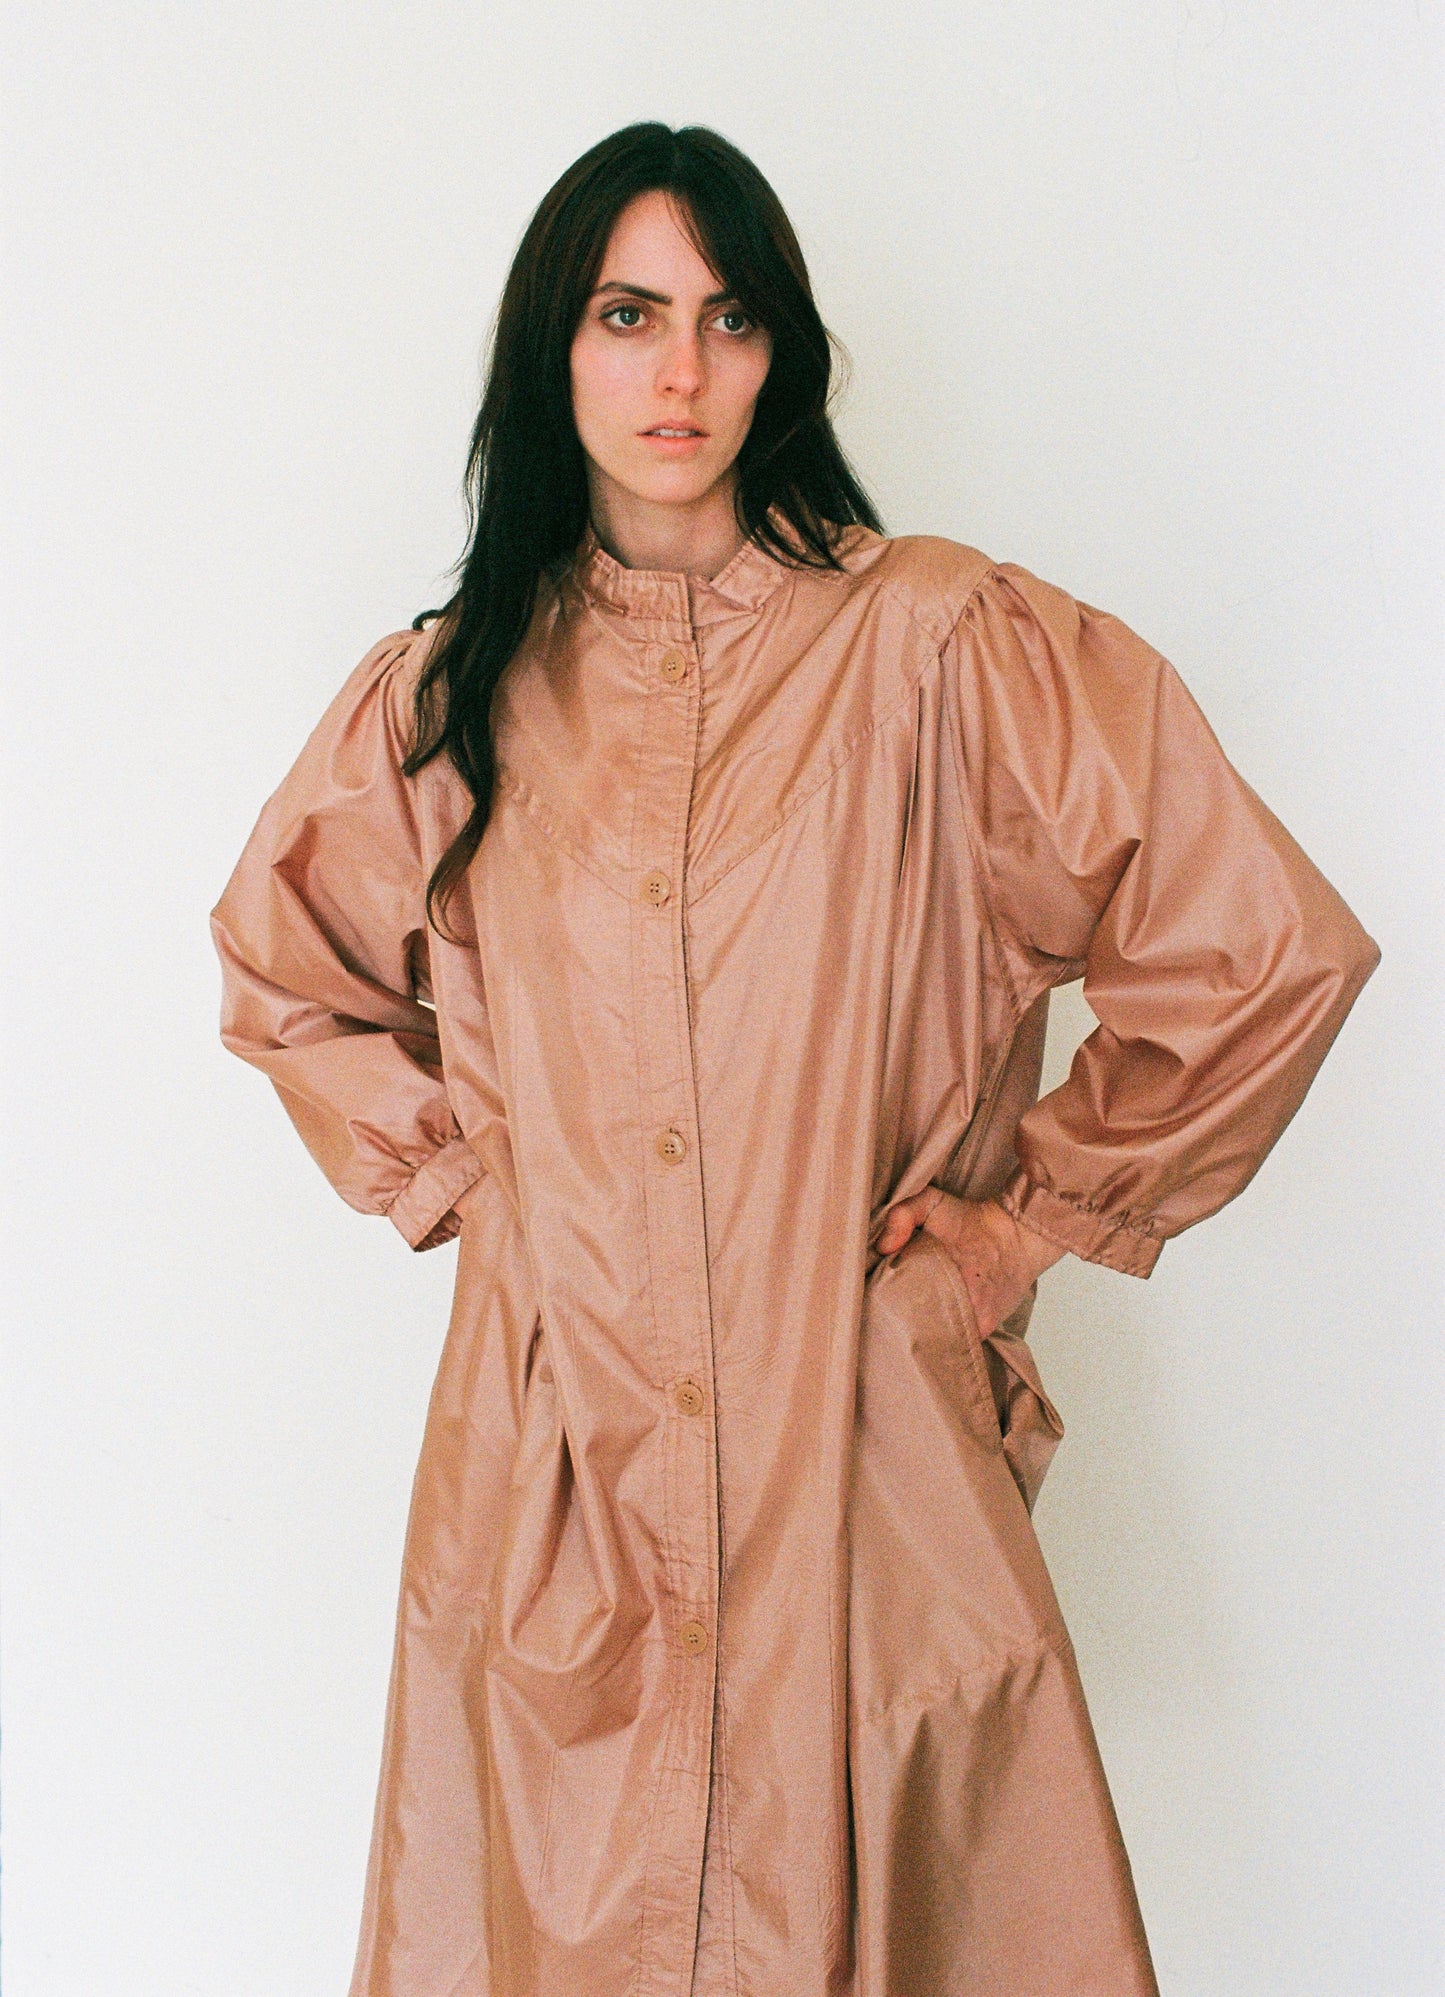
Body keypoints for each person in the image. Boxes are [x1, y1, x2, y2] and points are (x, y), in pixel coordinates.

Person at [209, 121, 1379, 1997]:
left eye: (728, 318)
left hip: (863, 1463)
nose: (679, 372)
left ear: (784, 354)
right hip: (560, 1485)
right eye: (626, 313)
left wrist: (1016, 1231)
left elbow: (1258, 949)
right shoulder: (447, 699)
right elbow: (292, 971)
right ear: (551, 350)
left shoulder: (939, 649)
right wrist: (484, 1195)